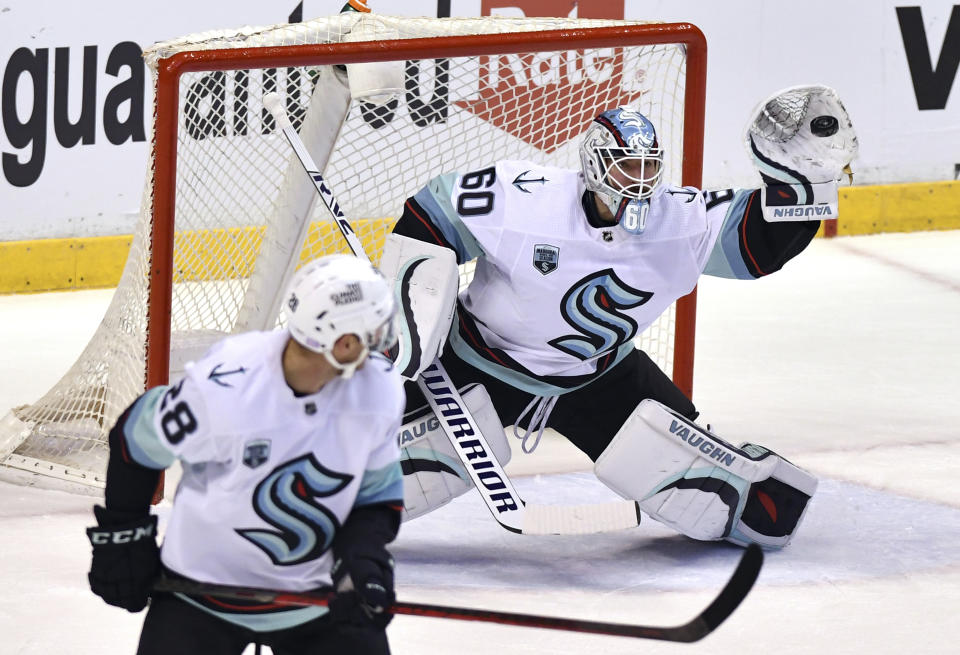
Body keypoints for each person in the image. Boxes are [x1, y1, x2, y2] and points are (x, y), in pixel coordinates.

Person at [386, 86, 857, 548]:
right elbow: (434, 212)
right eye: (627, 165)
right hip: (479, 364)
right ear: (594, 165)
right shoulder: (527, 199)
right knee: (354, 473)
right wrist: (409, 325)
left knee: (753, 511)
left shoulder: (678, 220)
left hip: (602, 378)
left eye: (649, 166)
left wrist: (803, 184)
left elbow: (756, 248)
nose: (639, 179)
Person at [86, 254, 405, 655]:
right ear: (343, 344)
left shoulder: (379, 389)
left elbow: (375, 496)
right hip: (199, 595)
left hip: (315, 602)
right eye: (374, 332)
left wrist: (363, 559)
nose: (384, 341)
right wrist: (123, 535)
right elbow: (135, 441)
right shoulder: (225, 388)